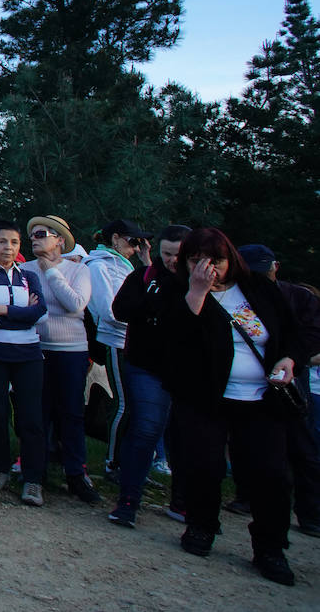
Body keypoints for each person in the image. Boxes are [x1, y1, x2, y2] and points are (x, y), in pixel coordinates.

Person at [163, 228, 303, 586]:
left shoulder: (258, 289)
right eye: (197, 261)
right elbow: (175, 342)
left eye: (217, 261)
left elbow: (290, 331)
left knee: (272, 474)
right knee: (203, 466)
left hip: (261, 398)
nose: (208, 268)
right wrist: (197, 292)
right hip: (205, 399)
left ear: (231, 260)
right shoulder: (176, 291)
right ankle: (201, 526)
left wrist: (288, 359)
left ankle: (270, 547)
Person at [107, 225, 191, 527]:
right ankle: (129, 499)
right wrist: (153, 301)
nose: (171, 260)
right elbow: (120, 309)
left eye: (177, 255)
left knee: (185, 435)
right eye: (166, 253)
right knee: (145, 429)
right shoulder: (145, 277)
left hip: (188, 370)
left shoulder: (202, 281)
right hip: (146, 364)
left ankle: (181, 501)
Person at [235, 244, 320, 538]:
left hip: (290, 379)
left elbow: (312, 334)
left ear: (275, 268)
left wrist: (293, 357)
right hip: (248, 383)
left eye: (263, 272)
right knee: (245, 444)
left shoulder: (298, 297)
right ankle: (246, 496)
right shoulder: (237, 298)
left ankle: (310, 511)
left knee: (302, 444)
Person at [0, 219, 48, 506]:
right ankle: (0, 469)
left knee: (31, 416)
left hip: (28, 353)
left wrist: (2, 309)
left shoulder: (28, 276)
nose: (8, 248)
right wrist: (19, 313)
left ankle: (33, 480)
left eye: (14, 242)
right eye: (2, 241)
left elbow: (40, 311)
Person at [21, 215, 99, 504]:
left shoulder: (79, 271)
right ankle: (34, 476)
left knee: (72, 414)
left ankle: (76, 474)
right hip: (34, 349)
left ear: (60, 240)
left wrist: (51, 271)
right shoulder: (24, 270)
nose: (35, 238)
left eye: (41, 233)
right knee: (36, 415)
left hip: (71, 350)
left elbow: (75, 304)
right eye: (33, 235)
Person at [84, 218, 153, 480]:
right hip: (115, 341)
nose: (136, 248)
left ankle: (133, 462)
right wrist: (143, 318)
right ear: (114, 239)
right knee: (123, 404)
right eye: (132, 241)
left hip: (135, 341)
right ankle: (114, 462)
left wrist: (148, 263)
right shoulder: (99, 267)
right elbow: (108, 310)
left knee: (138, 405)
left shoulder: (126, 267)